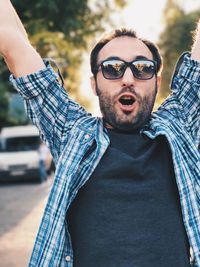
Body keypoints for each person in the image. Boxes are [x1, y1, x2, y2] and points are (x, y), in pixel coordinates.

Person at [0, 1, 199, 266]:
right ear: (94, 83)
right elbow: (11, 41)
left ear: (157, 81)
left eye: (143, 68)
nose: (128, 78)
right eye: (112, 68)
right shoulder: (71, 131)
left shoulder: (178, 124)